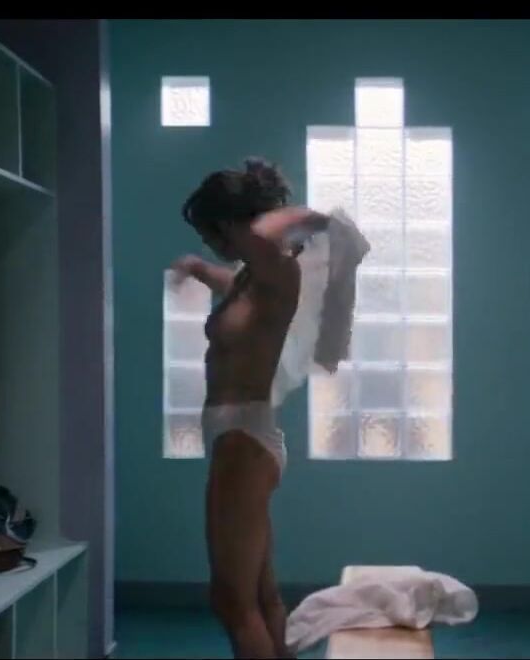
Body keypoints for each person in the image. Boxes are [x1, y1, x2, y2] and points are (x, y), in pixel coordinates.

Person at [169, 158, 333, 659]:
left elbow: (298, 223)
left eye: (210, 233)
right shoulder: (250, 280)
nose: (209, 244)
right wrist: (199, 269)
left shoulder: (278, 267)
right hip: (241, 437)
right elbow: (231, 284)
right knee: (262, 597)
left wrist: (251, 208)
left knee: (232, 602)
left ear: (231, 223)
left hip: (243, 442)